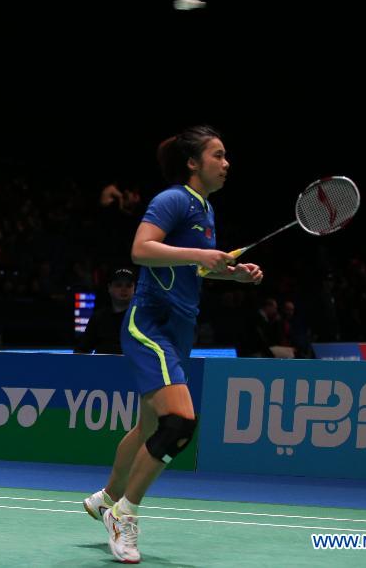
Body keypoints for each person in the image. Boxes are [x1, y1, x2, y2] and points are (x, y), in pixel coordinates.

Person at [83, 125, 263, 563]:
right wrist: (203, 256)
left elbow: (192, 269)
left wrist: (229, 273)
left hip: (180, 329)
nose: (226, 163)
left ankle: (106, 497)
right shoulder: (174, 199)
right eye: (218, 155)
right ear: (192, 163)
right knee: (179, 423)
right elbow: (142, 250)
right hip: (152, 324)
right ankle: (125, 514)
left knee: (148, 429)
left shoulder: (205, 211)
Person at [74, 268, 136, 354]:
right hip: (101, 366)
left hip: (132, 367)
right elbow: (82, 349)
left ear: (134, 289)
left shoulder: (142, 318)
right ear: (109, 288)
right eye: (118, 285)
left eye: (128, 285)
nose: (124, 289)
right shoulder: (98, 317)